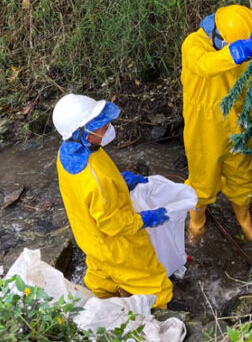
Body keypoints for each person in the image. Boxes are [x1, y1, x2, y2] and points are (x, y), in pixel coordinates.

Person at [53, 93, 173, 306]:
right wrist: (145, 219)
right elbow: (112, 223)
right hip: (117, 247)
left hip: (91, 240)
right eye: (102, 126)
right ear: (86, 135)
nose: (108, 127)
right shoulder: (95, 180)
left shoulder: (70, 153)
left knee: (101, 276)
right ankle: (161, 314)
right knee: (153, 282)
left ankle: (103, 301)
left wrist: (119, 183)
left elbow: (84, 197)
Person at [181, 4, 252, 242]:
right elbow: (206, 65)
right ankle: (197, 222)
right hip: (204, 127)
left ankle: (244, 220)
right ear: (218, 35)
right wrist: (240, 50)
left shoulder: (243, 48)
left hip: (237, 122)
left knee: (242, 175)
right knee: (202, 181)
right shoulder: (193, 45)